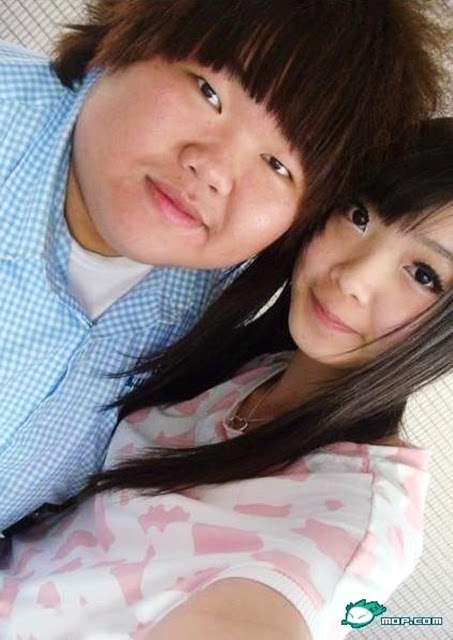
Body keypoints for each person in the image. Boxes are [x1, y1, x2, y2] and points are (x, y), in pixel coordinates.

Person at [0, 1, 447, 537]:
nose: (213, 170)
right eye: (208, 92)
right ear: (131, 32)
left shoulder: (211, 298)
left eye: (278, 165)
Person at [1, 118, 452, 640]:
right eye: (359, 216)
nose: (353, 277)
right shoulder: (249, 364)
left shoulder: (355, 518)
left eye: (423, 275)